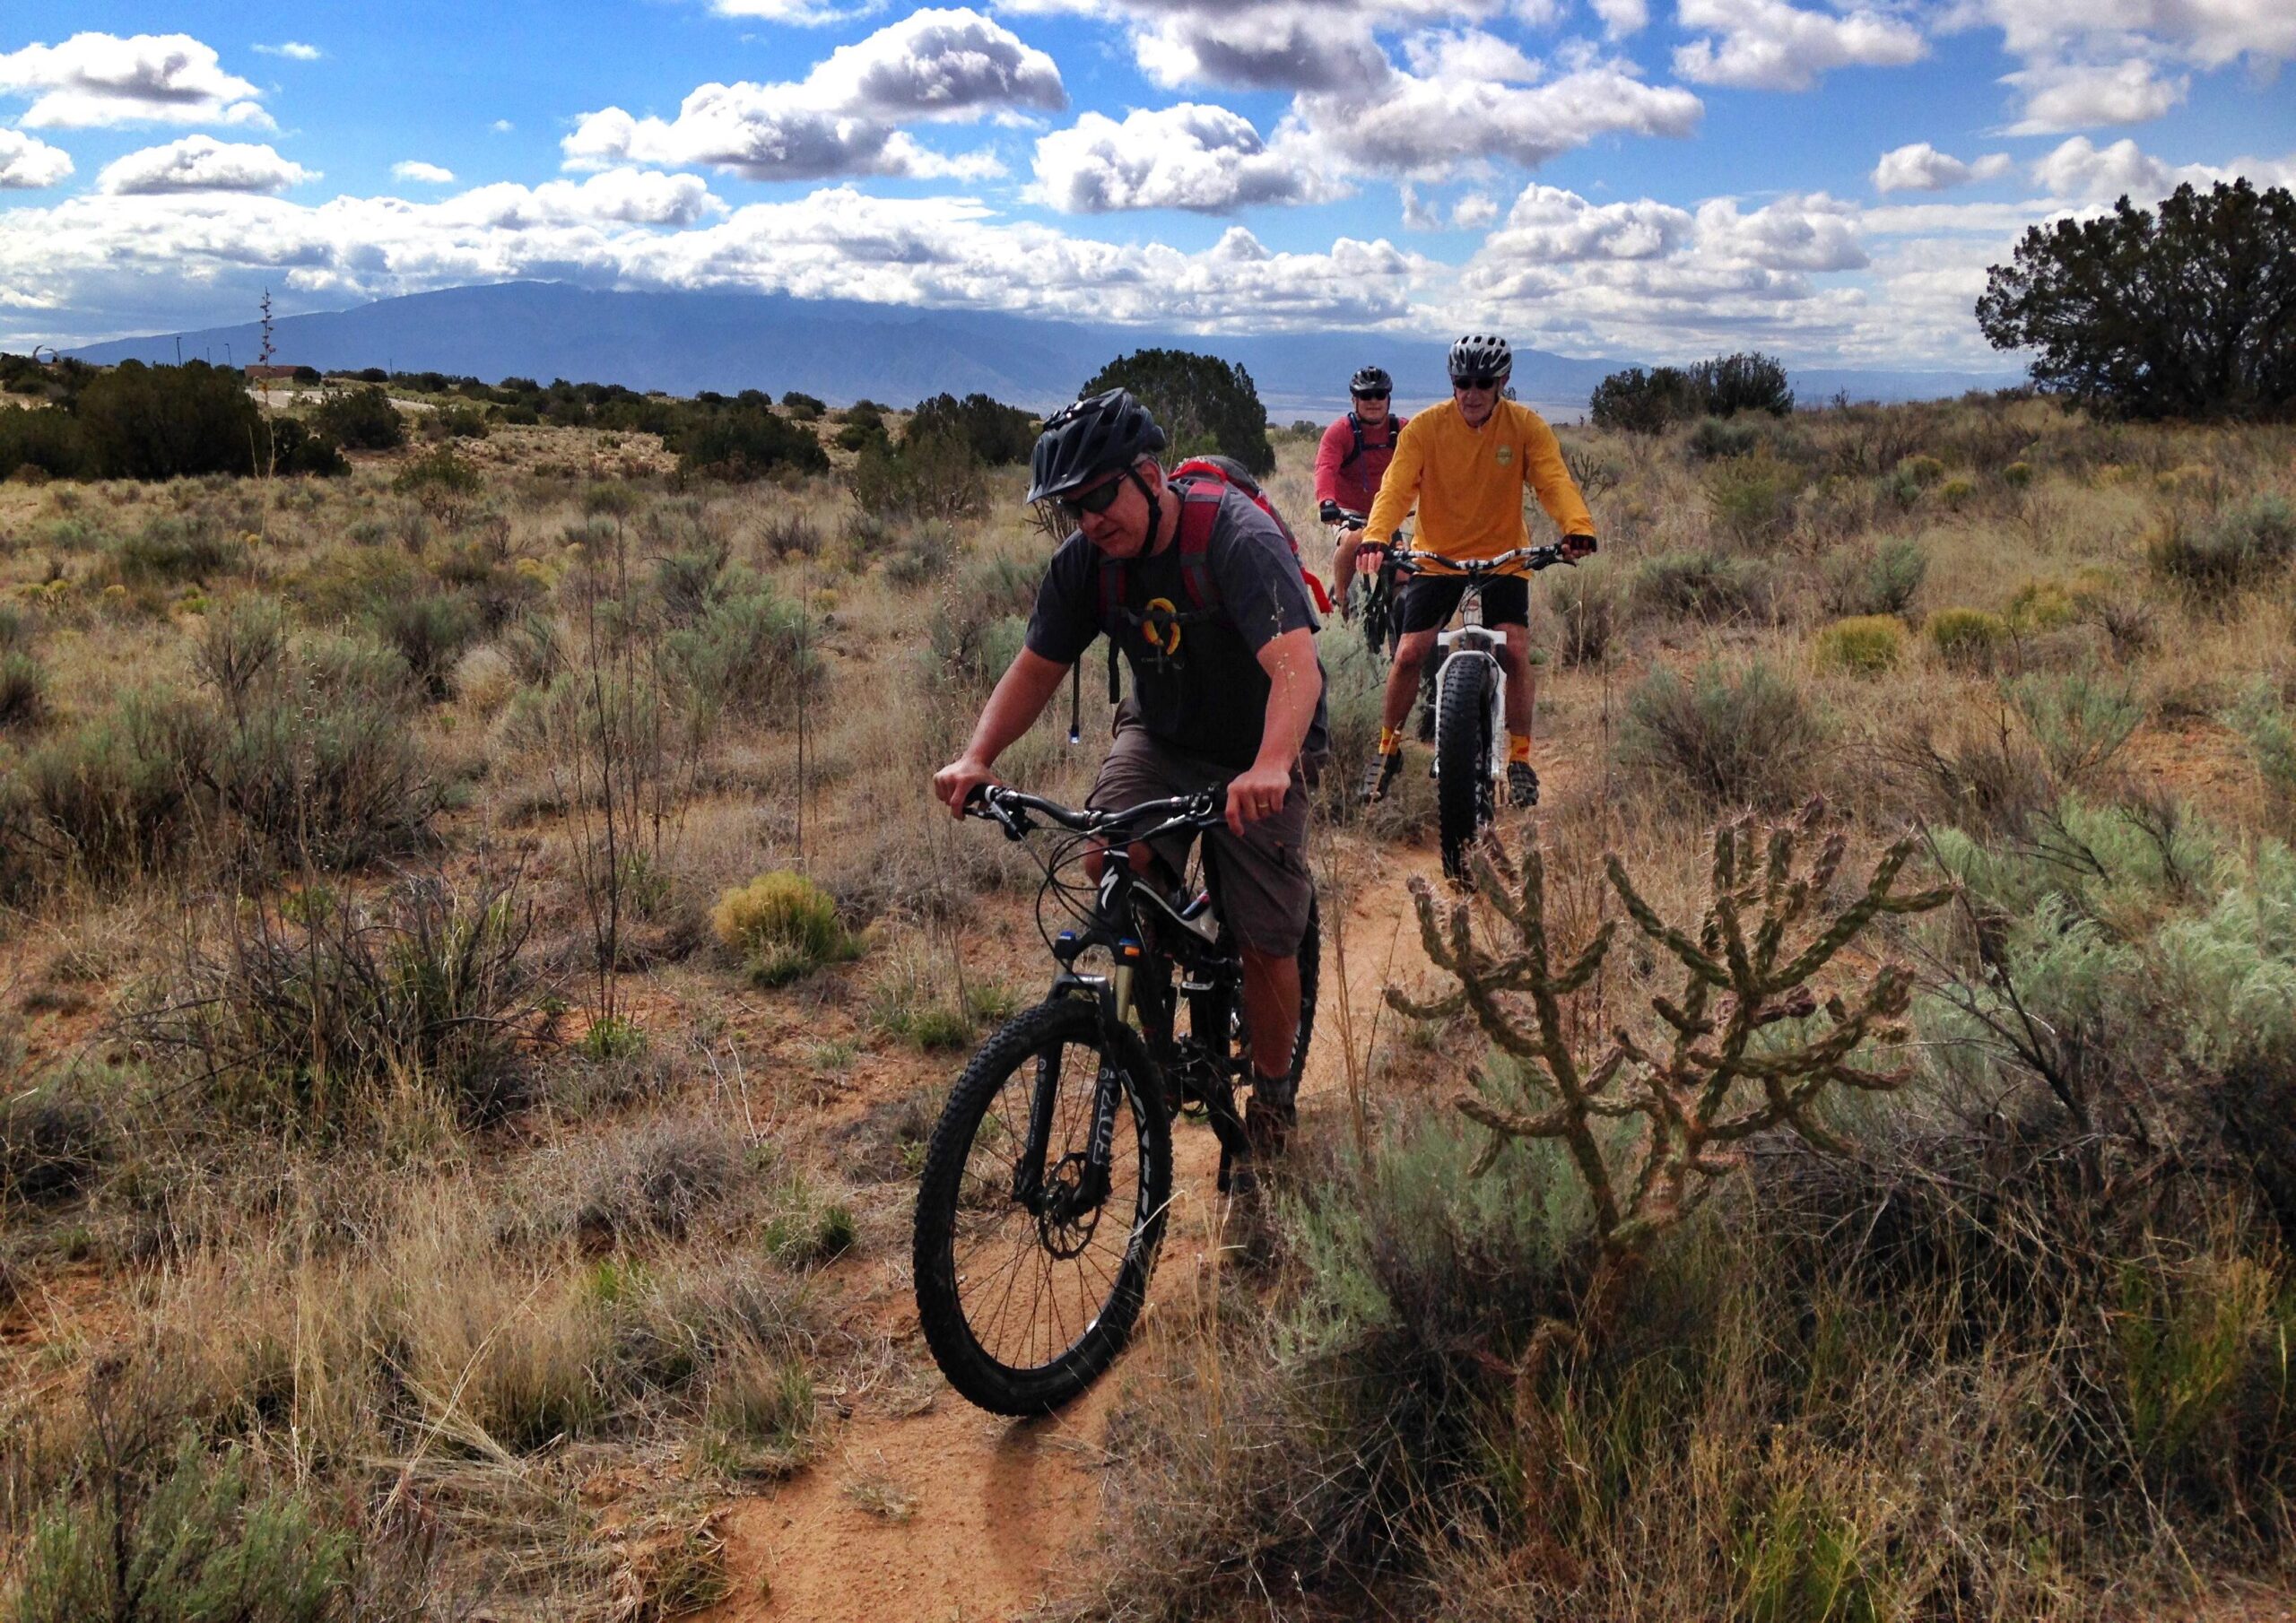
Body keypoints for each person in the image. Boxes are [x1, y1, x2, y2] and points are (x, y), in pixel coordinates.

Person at [933, 389, 1327, 1167]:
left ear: (1149, 476)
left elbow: (1296, 671)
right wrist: (979, 757)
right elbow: (1037, 667)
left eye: (1099, 497)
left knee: (1263, 935)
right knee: (1108, 857)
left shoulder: (1235, 539)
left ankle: (1273, 1104)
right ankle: (1154, 1016)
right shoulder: (1087, 564)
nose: (1088, 521)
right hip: (1164, 732)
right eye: (1069, 509)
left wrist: (1273, 765)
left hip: (1262, 742)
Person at [1338, 334, 1596, 810]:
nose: (1471, 392)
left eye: (1482, 382)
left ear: (1502, 382)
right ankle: (1387, 750)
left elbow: (1552, 480)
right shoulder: (1426, 429)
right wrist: (1377, 534)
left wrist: (1576, 527)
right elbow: (1396, 486)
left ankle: (1519, 757)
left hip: (1505, 557)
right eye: (1462, 382)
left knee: (1515, 650)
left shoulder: (1525, 426)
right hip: (1436, 557)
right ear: (1452, 382)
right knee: (1412, 651)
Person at [1314, 364, 1405, 531]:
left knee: (1407, 553)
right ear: (1354, 401)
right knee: (1353, 540)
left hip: (1386, 513)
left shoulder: (1403, 430)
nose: (1373, 401)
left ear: (1388, 400)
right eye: (1365, 396)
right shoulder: (1340, 431)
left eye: (1379, 395)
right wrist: (1327, 502)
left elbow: (1431, 458)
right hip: (1347, 513)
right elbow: (1326, 468)